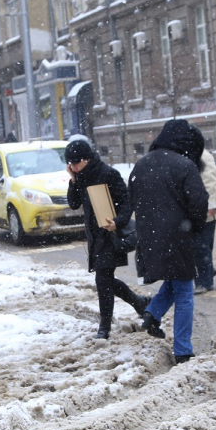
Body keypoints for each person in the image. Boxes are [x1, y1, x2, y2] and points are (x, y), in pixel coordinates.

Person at [123, 119, 208, 365]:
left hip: (149, 238)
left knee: (175, 280)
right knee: (184, 291)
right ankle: (183, 350)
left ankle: (152, 314)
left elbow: (131, 202)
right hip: (179, 236)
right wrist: (196, 227)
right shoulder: (185, 165)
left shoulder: (141, 164)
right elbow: (199, 202)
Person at [65, 140, 150, 339]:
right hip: (94, 236)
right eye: (70, 165)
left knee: (102, 280)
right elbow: (74, 203)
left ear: (86, 159)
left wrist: (117, 222)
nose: (73, 167)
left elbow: (127, 204)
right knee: (105, 280)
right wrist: (73, 181)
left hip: (110, 235)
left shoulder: (108, 174)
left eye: (75, 163)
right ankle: (139, 302)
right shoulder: (81, 177)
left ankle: (104, 328)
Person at [194, 134, 216, 294]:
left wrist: (211, 205)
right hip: (198, 208)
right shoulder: (192, 153)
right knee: (201, 246)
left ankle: (205, 281)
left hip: (206, 209)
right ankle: (207, 271)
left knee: (201, 246)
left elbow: (211, 182)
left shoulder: (202, 155)